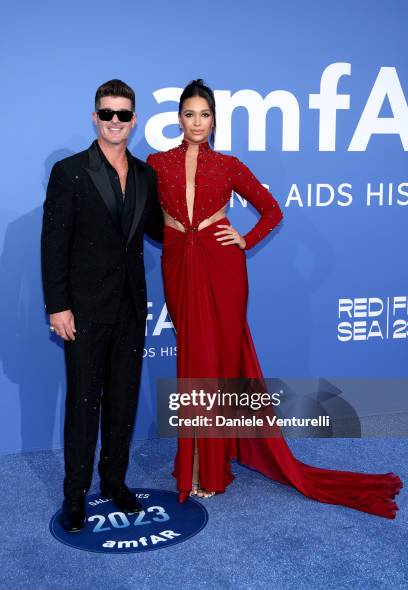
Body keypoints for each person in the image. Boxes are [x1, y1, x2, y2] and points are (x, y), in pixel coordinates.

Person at [147, 79, 402, 518]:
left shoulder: (228, 165)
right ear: (178, 118)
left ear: (214, 119)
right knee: (193, 360)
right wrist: (171, 238)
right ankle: (202, 457)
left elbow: (272, 210)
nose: (197, 123)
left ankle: (206, 466)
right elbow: (147, 217)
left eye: (204, 115)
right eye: (189, 114)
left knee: (219, 364)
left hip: (222, 268)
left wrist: (243, 240)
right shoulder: (156, 163)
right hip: (179, 265)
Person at [41, 79, 163, 532]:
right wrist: (58, 306)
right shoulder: (69, 171)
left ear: (135, 120)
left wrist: (201, 228)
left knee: (123, 402)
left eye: (124, 114)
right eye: (107, 113)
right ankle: (75, 495)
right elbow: (54, 244)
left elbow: (160, 231)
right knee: (83, 404)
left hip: (131, 307)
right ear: (95, 117)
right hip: (85, 309)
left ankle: (113, 482)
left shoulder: (146, 174)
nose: (116, 122)